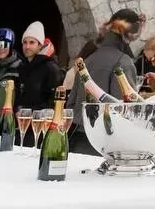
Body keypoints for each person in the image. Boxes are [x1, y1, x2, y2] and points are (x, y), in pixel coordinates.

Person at [67, 9, 143, 152]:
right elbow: (126, 111)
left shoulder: (88, 59)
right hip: (106, 144)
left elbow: (71, 104)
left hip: (78, 140)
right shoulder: (123, 62)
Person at [16, 21, 62, 111]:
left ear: (40, 45)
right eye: (25, 42)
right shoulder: (21, 67)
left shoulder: (51, 68)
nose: (27, 46)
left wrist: (28, 111)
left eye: (32, 42)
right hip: (20, 118)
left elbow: (55, 103)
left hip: (40, 119)